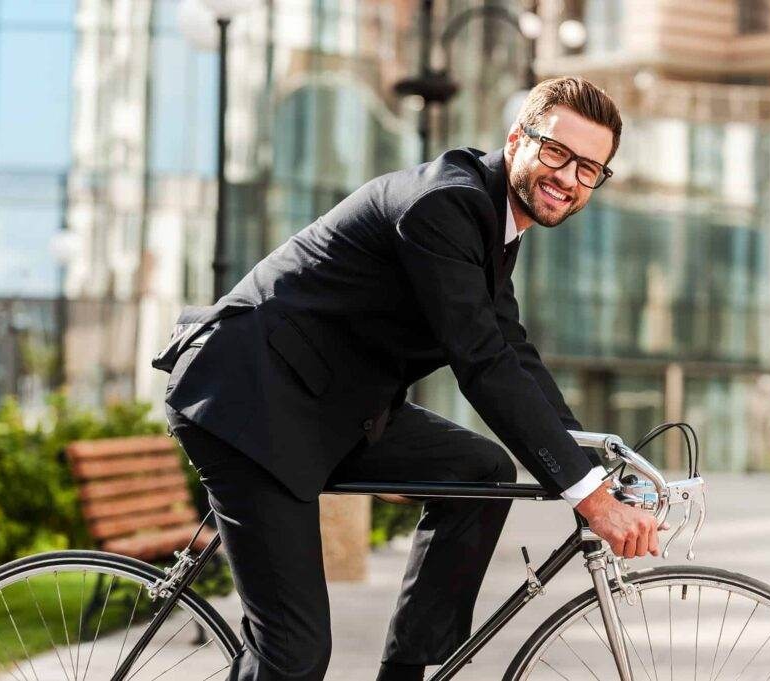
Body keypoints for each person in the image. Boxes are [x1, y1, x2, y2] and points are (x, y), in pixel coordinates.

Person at [154, 76, 663, 681]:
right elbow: (481, 361)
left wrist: (592, 463)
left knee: (480, 474)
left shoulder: (493, 226)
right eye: (556, 152)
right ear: (516, 139)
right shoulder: (445, 205)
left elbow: (513, 352)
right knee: (292, 657)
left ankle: (407, 673)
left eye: (588, 169)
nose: (568, 177)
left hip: (332, 406)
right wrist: (590, 498)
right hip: (250, 401)